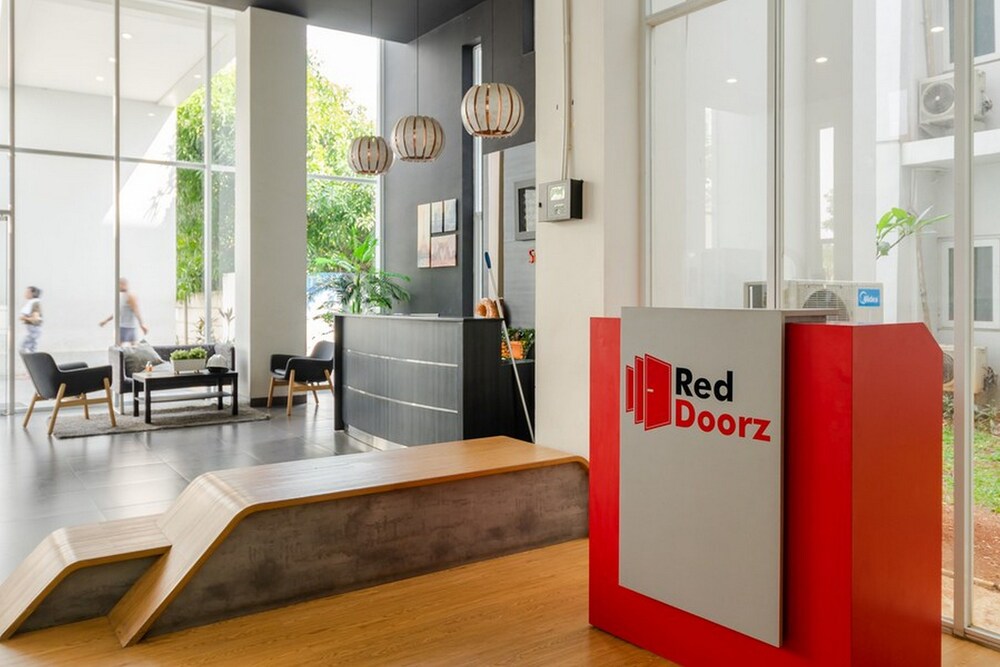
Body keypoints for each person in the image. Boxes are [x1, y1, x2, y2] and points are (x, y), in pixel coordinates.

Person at [99, 278, 149, 344]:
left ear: (123, 285)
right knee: (131, 346)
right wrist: (106, 321)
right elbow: (118, 312)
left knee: (119, 346)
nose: (117, 287)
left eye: (118, 285)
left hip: (127, 327)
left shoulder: (130, 296)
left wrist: (141, 324)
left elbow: (136, 310)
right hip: (123, 327)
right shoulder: (122, 296)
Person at [18, 286, 42, 354]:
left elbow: (35, 319)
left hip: (33, 328)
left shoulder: (35, 303)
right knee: (30, 347)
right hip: (31, 328)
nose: (25, 294)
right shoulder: (32, 303)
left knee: (25, 347)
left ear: (33, 294)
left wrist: (24, 318)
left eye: (27, 292)